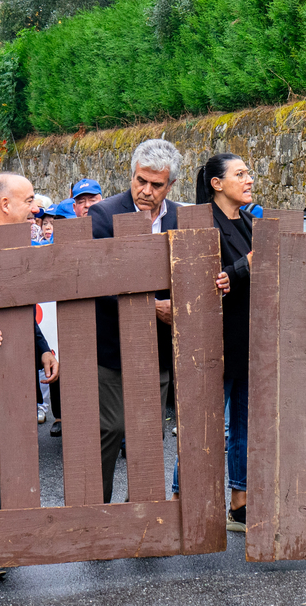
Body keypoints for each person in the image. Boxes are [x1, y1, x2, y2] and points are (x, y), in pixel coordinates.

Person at [0, 172, 59, 581]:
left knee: (18, 451)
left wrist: (43, 348)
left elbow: (22, 305)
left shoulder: (23, 244)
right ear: (5, 205)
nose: (35, 209)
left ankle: (5, 530)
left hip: (17, 367)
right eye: (29, 200)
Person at [88, 139, 183, 504]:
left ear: (170, 186)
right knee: (109, 429)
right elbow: (97, 280)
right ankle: (100, 513)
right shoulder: (103, 215)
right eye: (140, 180)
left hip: (157, 349)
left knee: (148, 432)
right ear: (132, 174)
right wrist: (151, 308)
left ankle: (142, 514)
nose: (146, 191)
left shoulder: (178, 217)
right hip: (111, 345)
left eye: (156, 185)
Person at [191, 153, 253, 529]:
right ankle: (183, 497)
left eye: (248, 173)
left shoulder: (248, 220)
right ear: (216, 183)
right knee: (205, 423)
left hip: (249, 337)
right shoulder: (202, 223)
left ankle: (240, 504)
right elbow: (206, 279)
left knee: (245, 424)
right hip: (215, 340)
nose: (249, 180)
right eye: (240, 174)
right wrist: (245, 265)